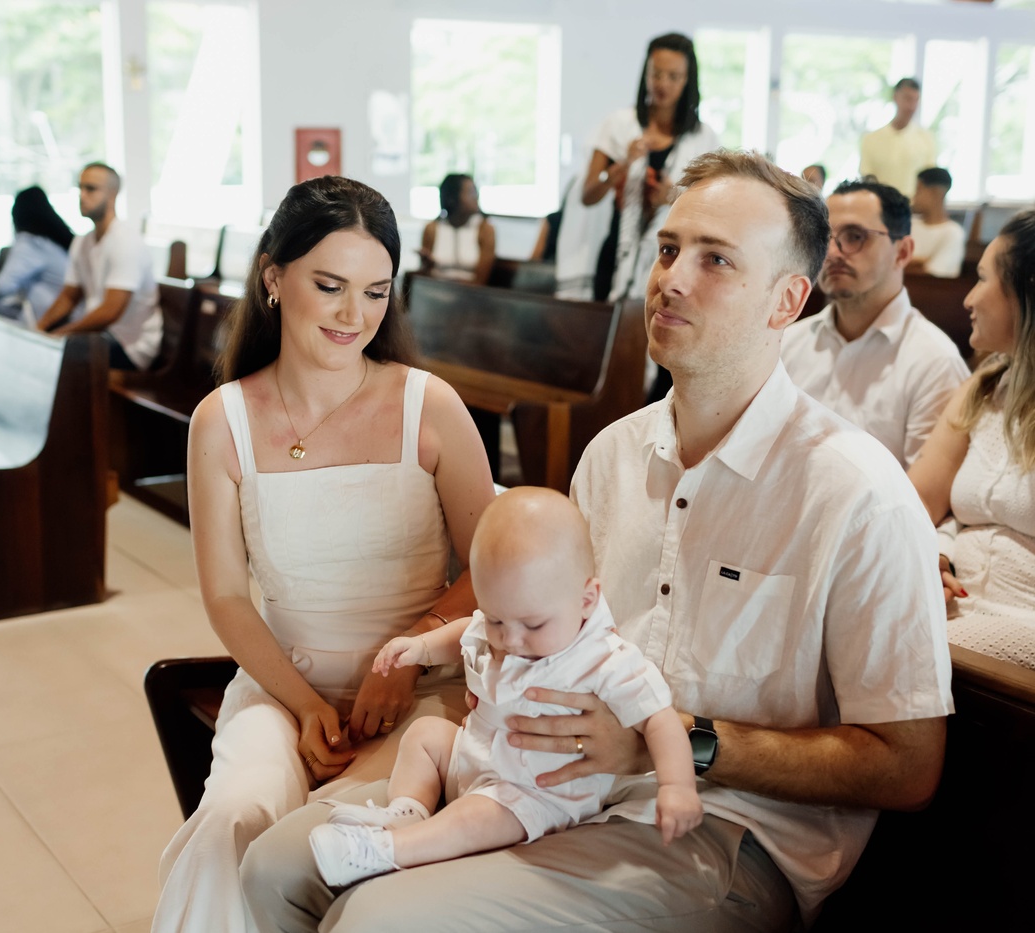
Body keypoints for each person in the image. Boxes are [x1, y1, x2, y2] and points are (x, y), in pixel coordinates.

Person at [241, 149, 952, 933]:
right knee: (275, 868)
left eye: (716, 259)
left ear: (787, 300)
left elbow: (908, 764)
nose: (671, 279)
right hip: (541, 780)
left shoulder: (857, 491)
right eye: (669, 249)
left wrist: (671, 743)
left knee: (381, 919)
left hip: (717, 830)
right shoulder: (612, 454)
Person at [151, 175, 497, 933]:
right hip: (283, 679)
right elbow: (226, 596)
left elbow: (492, 568)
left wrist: (405, 657)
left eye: (375, 292)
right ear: (274, 278)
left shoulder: (428, 404)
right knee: (235, 817)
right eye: (330, 286)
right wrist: (304, 704)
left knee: (331, 838)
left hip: (419, 685)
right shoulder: (221, 420)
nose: (354, 316)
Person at [307, 488, 702, 888]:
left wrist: (677, 786)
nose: (510, 639)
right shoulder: (510, 615)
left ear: (586, 600)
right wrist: (421, 647)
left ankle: (389, 851)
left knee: (475, 817)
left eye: (533, 625)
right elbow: (468, 632)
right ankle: (408, 810)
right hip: (472, 757)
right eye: (497, 620)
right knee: (425, 736)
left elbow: (660, 720)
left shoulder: (604, 659)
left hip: (534, 796)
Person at [909, 209, 1035, 670]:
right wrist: (936, 554)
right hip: (958, 609)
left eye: (982, 279)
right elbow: (916, 503)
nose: (969, 298)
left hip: (1022, 622)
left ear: (1026, 292)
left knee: (892, 650)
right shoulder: (983, 388)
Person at [781, 178, 968, 466]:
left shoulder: (935, 362)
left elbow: (923, 489)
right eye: (825, 237)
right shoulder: (788, 341)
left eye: (855, 236)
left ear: (902, 252)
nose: (832, 253)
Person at [579, 32, 719, 304]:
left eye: (673, 76)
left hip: (672, 262)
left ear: (687, 80)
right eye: (656, 74)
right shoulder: (620, 124)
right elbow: (588, 195)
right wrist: (622, 167)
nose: (662, 84)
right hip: (617, 253)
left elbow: (712, 211)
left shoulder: (703, 138)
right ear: (646, 73)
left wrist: (671, 197)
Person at [35, 162, 161, 370]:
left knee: (58, 357)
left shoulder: (126, 241)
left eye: (91, 189)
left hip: (130, 346)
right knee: (44, 349)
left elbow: (111, 312)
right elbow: (68, 296)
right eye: (80, 188)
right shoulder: (82, 241)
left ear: (112, 194)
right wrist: (39, 330)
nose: (82, 195)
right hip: (100, 336)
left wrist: (61, 335)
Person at [0, 185, 73, 321]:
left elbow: (4, 286)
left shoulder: (32, 242)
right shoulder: (51, 241)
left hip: (50, 318)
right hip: (63, 314)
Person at [859, 78, 935, 199]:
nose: (911, 106)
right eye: (907, 99)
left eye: (915, 100)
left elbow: (930, 182)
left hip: (912, 207)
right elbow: (867, 180)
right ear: (895, 97)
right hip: (881, 206)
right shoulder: (871, 139)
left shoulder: (925, 139)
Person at [419, 173, 495, 285]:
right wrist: (427, 265)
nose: (476, 196)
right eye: (470, 192)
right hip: (436, 290)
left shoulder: (485, 229)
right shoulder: (432, 229)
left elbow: (481, 280)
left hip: (470, 292)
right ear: (453, 197)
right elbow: (425, 275)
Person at [909, 167, 966, 279]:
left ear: (935, 193)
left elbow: (934, 275)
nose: (914, 196)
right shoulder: (909, 224)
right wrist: (922, 261)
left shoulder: (954, 232)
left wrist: (906, 263)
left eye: (918, 190)